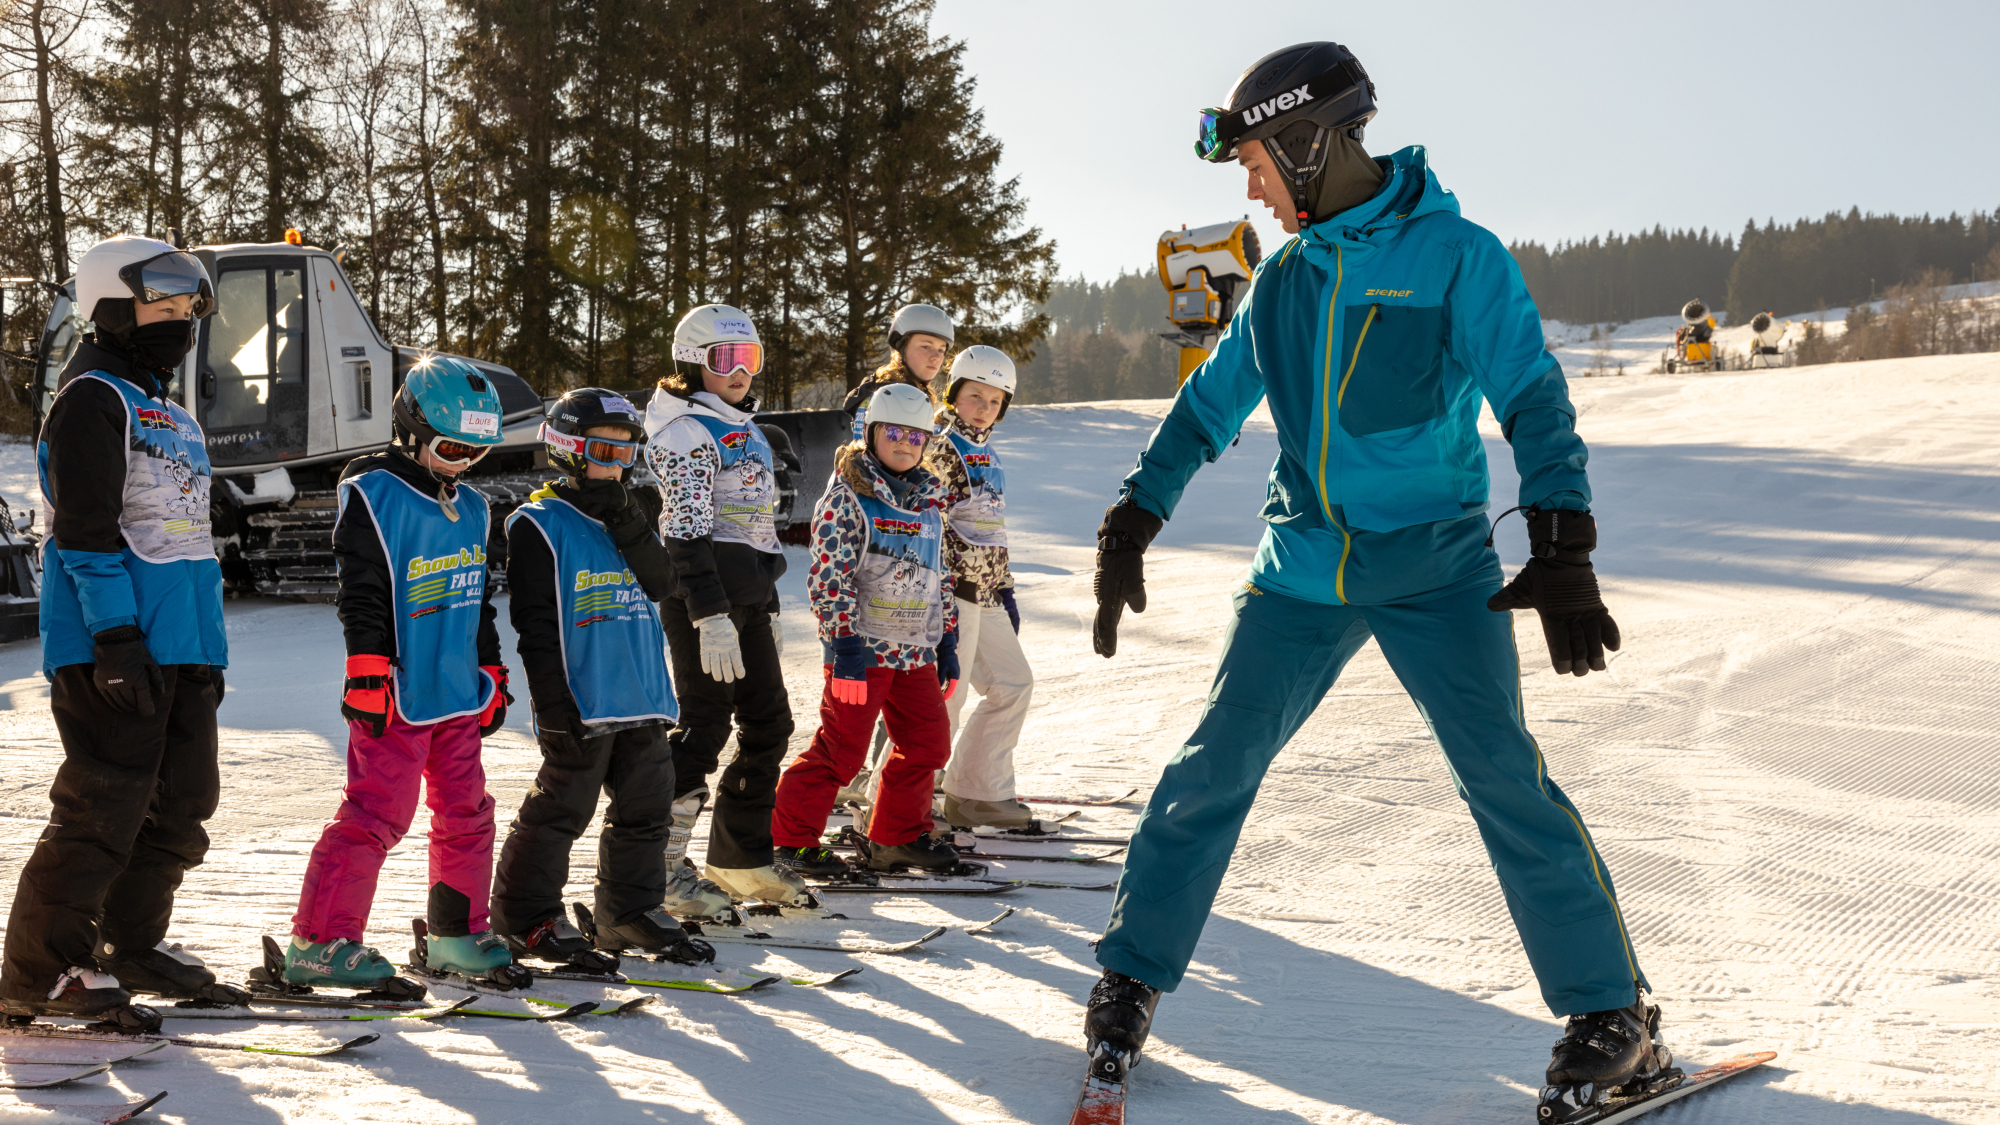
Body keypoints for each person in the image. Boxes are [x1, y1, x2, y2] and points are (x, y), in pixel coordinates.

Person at [1080, 41, 1664, 1115]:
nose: (1249, 186)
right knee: (1212, 765)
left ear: (1306, 142)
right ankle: (1128, 976)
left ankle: (1610, 1010)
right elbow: (1208, 405)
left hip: (1435, 568)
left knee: (1500, 775)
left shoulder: (1453, 255)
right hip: (1299, 570)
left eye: (1256, 161)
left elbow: (1529, 393)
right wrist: (1134, 514)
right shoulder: (1283, 281)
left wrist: (1561, 538)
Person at [0, 235, 232, 1030]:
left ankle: (127, 946)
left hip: (181, 643)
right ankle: (39, 968)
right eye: (160, 304)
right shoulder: (91, 398)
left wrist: (207, 653)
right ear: (107, 306)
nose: (179, 319)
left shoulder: (169, 410)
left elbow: (189, 541)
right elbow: (87, 531)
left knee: (181, 803)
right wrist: (115, 639)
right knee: (104, 805)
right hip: (114, 644)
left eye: (185, 307)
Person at [283, 356, 519, 988]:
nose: (462, 464)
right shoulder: (373, 494)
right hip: (396, 692)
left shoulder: (470, 506)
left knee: (469, 813)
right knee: (376, 815)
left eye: (475, 452)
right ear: (410, 428)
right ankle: (319, 942)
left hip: (457, 694)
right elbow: (360, 592)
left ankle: (455, 933)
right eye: (450, 448)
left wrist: (491, 670)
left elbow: (478, 594)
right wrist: (366, 671)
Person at [490, 388, 712, 966]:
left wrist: (625, 518)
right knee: (563, 808)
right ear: (565, 449)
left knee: (648, 807)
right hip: (582, 698)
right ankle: (525, 916)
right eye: (602, 451)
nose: (617, 464)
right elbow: (534, 627)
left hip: (640, 690)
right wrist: (552, 701)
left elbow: (664, 585)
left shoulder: (628, 513)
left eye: (625, 452)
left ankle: (627, 912)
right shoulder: (536, 523)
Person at [769, 384, 962, 876]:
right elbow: (827, 578)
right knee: (843, 751)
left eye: (916, 436)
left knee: (928, 745)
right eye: (894, 433)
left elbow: (940, 575)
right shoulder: (847, 500)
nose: (905, 444)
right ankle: (789, 840)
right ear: (871, 433)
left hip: (915, 651)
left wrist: (948, 641)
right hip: (864, 653)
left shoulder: (928, 506)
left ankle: (896, 836)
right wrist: (845, 648)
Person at [645, 305, 801, 911]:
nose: (740, 372)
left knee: (770, 724)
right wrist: (709, 614)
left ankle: (741, 857)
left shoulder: (743, 426)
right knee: (704, 728)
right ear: (691, 363)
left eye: (750, 359)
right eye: (724, 359)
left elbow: (757, 530)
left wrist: (766, 603)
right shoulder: (685, 432)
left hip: (747, 600)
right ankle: (656, 865)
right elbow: (684, 533)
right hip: (703, 604)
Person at [924, 346, 1036, 830]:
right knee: (944, 698)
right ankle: (907, 798)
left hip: (985, 591)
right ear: (954, 396)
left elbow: (991, 527)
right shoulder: (942, 449)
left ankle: (975, 791)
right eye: (974, 397)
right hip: (952, 590)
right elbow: (931, 521)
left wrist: (1004, 587)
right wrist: (954, 581)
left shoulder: (988, 454)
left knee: (1013, 684)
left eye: (994, 401)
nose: (984, 408)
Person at [840, 304, 954, 442]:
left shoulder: (877, 386)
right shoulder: (901, 398)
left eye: (941, 350)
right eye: (926, 346)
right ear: (902, 346)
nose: (936, 357)